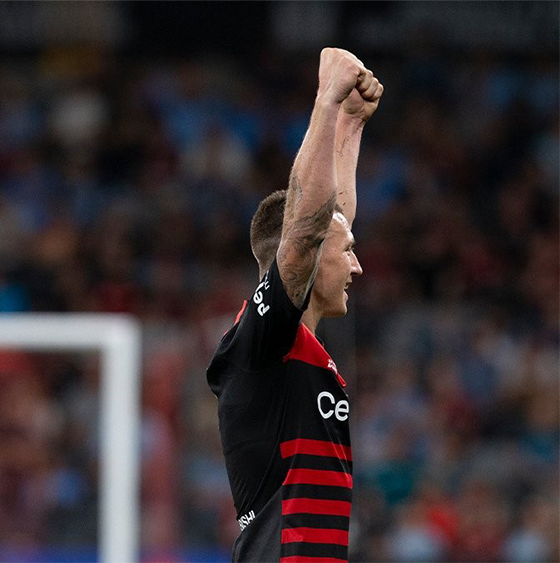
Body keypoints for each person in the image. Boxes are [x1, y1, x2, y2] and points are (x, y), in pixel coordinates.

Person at [206, 47, 383, 562]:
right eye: (348, 254)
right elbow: (309, 232)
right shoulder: (262, 342)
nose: (357, 267)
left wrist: (350, 124)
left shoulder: (297, 346)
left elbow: (331, 223)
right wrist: (326, 102)